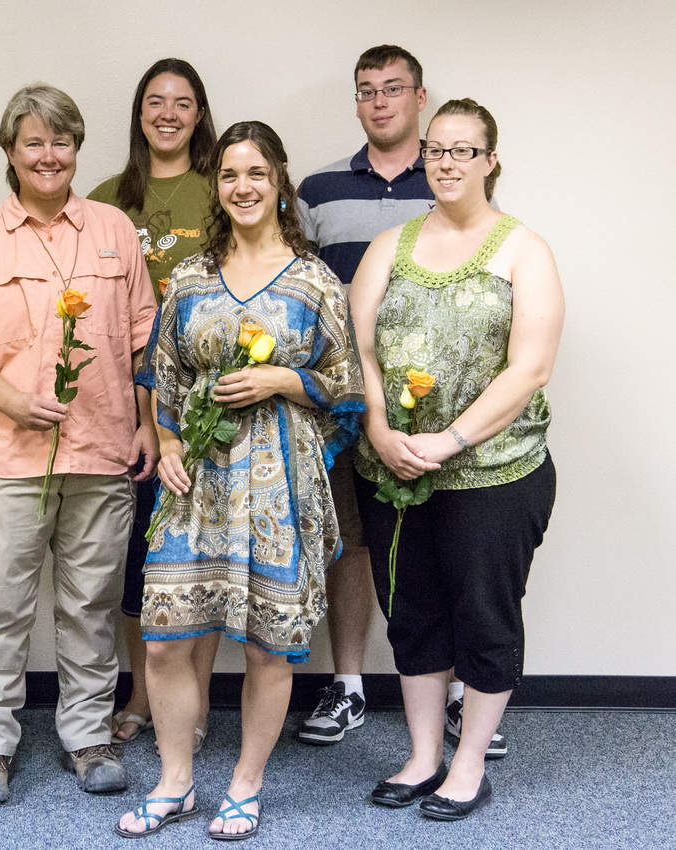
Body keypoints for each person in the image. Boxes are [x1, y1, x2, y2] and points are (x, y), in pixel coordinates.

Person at [116, 121, 364, 840]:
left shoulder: (315, 282)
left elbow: (345, 386)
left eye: (256, 173)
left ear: (279, 180)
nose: (243, 186)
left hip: (278, 483)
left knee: (264, 643)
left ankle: (245, 786)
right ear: (217, 187)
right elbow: (159, 376)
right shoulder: (190, 279)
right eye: (230, 175)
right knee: (164, 638)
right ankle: (174, 783)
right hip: (195, 476)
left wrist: (288, 378)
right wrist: (164, 439)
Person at [0, 83, 156, 805]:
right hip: (5, 457)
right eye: (33, 142)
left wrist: (149, 424)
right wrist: (10, 401)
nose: (48, 154)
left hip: (101, 452)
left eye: (60, 141)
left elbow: (144, 339)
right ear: (9, 154)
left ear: (76, 150)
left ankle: (87, 737)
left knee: (90, 606)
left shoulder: (115, 231)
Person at [350, 98, 562, 820]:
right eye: (435, 150)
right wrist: (378, 428)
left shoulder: (521, 248)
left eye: (461, 151)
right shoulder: (389, 246)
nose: (445, 163)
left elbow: (528, 367)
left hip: (493, 473)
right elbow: (362, 353)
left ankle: (468, 761)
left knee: (482, 615)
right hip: (393, 472)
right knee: (411, 614)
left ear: (489, 160)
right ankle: (420, 755)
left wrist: (450, 440)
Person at [294, 44, 436, 748]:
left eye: (392, 88)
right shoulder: (316, 191)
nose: (379, 101)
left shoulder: (448, 182)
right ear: (356, 103)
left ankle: (461, 693)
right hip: (342, 404)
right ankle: (346, 687)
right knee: (348, 544)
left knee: (436, 543)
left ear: (419, 97)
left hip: (429, 405)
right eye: (366, 90)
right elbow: (296, 297)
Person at [87, 57, 221, 752]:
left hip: (212, 407)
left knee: (196, 558)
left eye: (182, 102)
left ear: (199, 114)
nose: (167, 113)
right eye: (154, 102)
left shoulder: (222, 187)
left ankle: (189, 704)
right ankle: (141, 693)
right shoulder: (108, 198)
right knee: (138, 558)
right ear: (139, 114)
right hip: (129, 408)